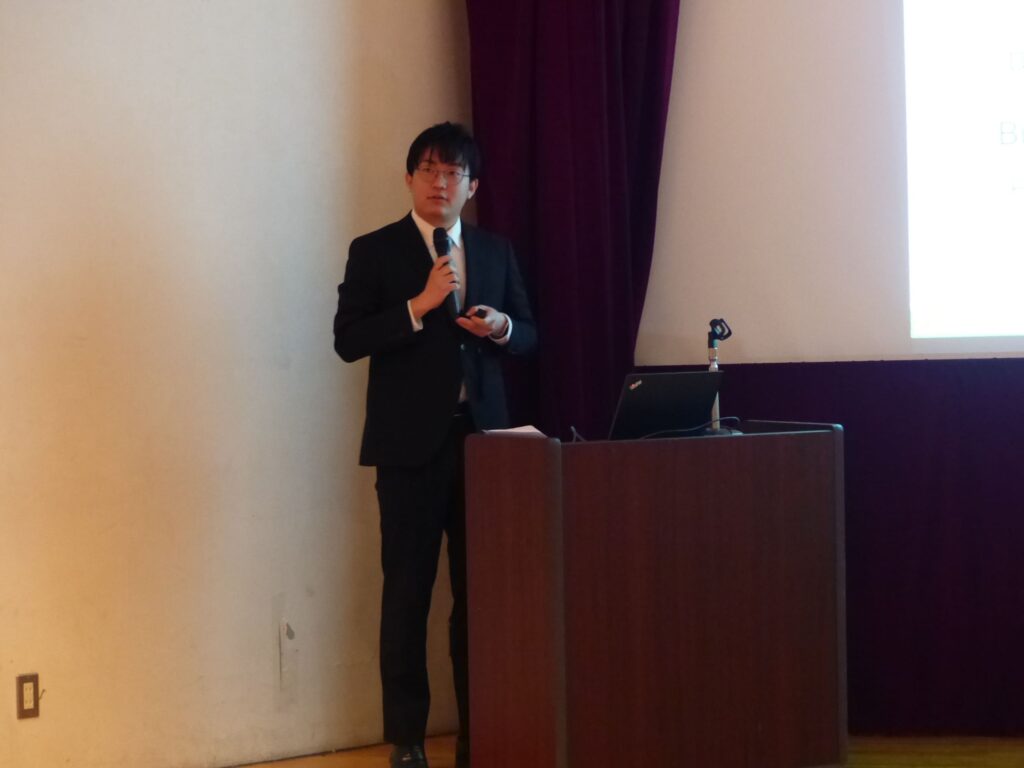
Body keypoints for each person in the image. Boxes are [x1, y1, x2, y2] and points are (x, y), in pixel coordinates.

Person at [333, 122, 536, 768]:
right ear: (408, 178)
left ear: (472, 187)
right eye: (428, 170)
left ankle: (480, 734)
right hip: (408, 450)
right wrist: (418, 305)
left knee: (480, 600)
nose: (439, 182)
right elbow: (347, 339)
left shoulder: (495, 251)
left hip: (483, 448)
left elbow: (530, 334)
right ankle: (408, 741)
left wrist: (501, 326)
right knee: (407, 594)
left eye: (453, 173)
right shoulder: (375, 251)